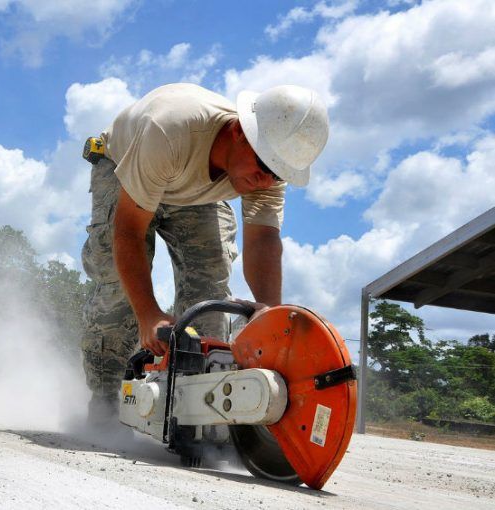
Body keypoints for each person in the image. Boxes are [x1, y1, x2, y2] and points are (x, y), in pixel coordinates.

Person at [80, 83, 329, 424]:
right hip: (127, 165)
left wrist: (269, 315)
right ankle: (106, 406)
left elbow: (263, 241)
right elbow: (128, 232)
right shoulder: (169, 131)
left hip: (192, 188)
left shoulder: (268, 167)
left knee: (210, 287)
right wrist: (150, 314)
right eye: (263, 167)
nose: (266, 181)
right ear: (240, 131)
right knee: (120, 290)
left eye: (277, 174)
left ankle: (194, 409)